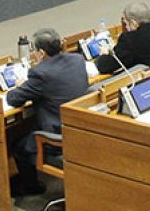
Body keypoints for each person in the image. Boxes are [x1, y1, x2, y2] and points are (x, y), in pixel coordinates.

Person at [5, 28, 89, 196]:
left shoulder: (40, 73)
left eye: (34, 51)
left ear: (41, 53)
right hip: (79, 129)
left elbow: (13, 99)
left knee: (18, 145)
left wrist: (22, 85)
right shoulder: (77, 60)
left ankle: (32, 188)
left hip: (57, 137)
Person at [95, 3, 150, 75]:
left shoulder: (130, 39)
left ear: (133, 23)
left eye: (126, 23)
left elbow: (105, 66)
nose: (126, 27)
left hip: (146, 77)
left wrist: (104, 54)